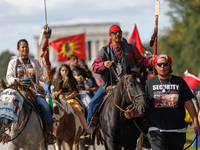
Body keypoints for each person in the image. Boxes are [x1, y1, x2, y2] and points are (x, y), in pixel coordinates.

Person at [80, 24, 153, 144]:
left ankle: (146, 129)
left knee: (143, 99)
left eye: (119, 32)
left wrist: (152, 61)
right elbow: (94, 67)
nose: (117, 34)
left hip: (129, 84)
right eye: (114, 33)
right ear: (110, 36)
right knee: (93, 103)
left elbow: (141, 61)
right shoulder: (104, 50)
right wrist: (103, 65)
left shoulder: (131, 48)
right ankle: (89, 131)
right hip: (109, 85)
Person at [144, 54, 199, 150]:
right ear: (155, 66)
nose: (162, 67)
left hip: (178, 130)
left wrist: (196, 124)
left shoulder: (180, 81)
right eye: (159, 64)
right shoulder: (148, 83)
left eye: (165, 64)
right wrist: (133, 114)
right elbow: (143, 105)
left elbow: (189, 104)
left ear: (169, 65)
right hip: (156, 130)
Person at [6, 39, 55, 144]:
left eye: (26, 46)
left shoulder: (35, 62)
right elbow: (8, 77)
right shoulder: (13, 62)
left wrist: (48, 79)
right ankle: (3, 129)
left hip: (33, 91)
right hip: (18, 91)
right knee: (5, 105)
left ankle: (48, 131)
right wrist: (15, 80)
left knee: (46, 108)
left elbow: (41, 79)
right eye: (22, 47)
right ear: (18, 49)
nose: (25, 48)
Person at [54, 64, 87, 129]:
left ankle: (86, 129)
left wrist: (66, 97)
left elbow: (74, 93)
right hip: (60, 99)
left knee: (79, 111)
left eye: (66, 70)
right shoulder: (56, 80)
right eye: (63, 70)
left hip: (71, 99)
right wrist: (59, 95)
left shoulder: (72, 79)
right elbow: (56, 92)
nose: (64, 72)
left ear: (69, 71)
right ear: (60, 71)